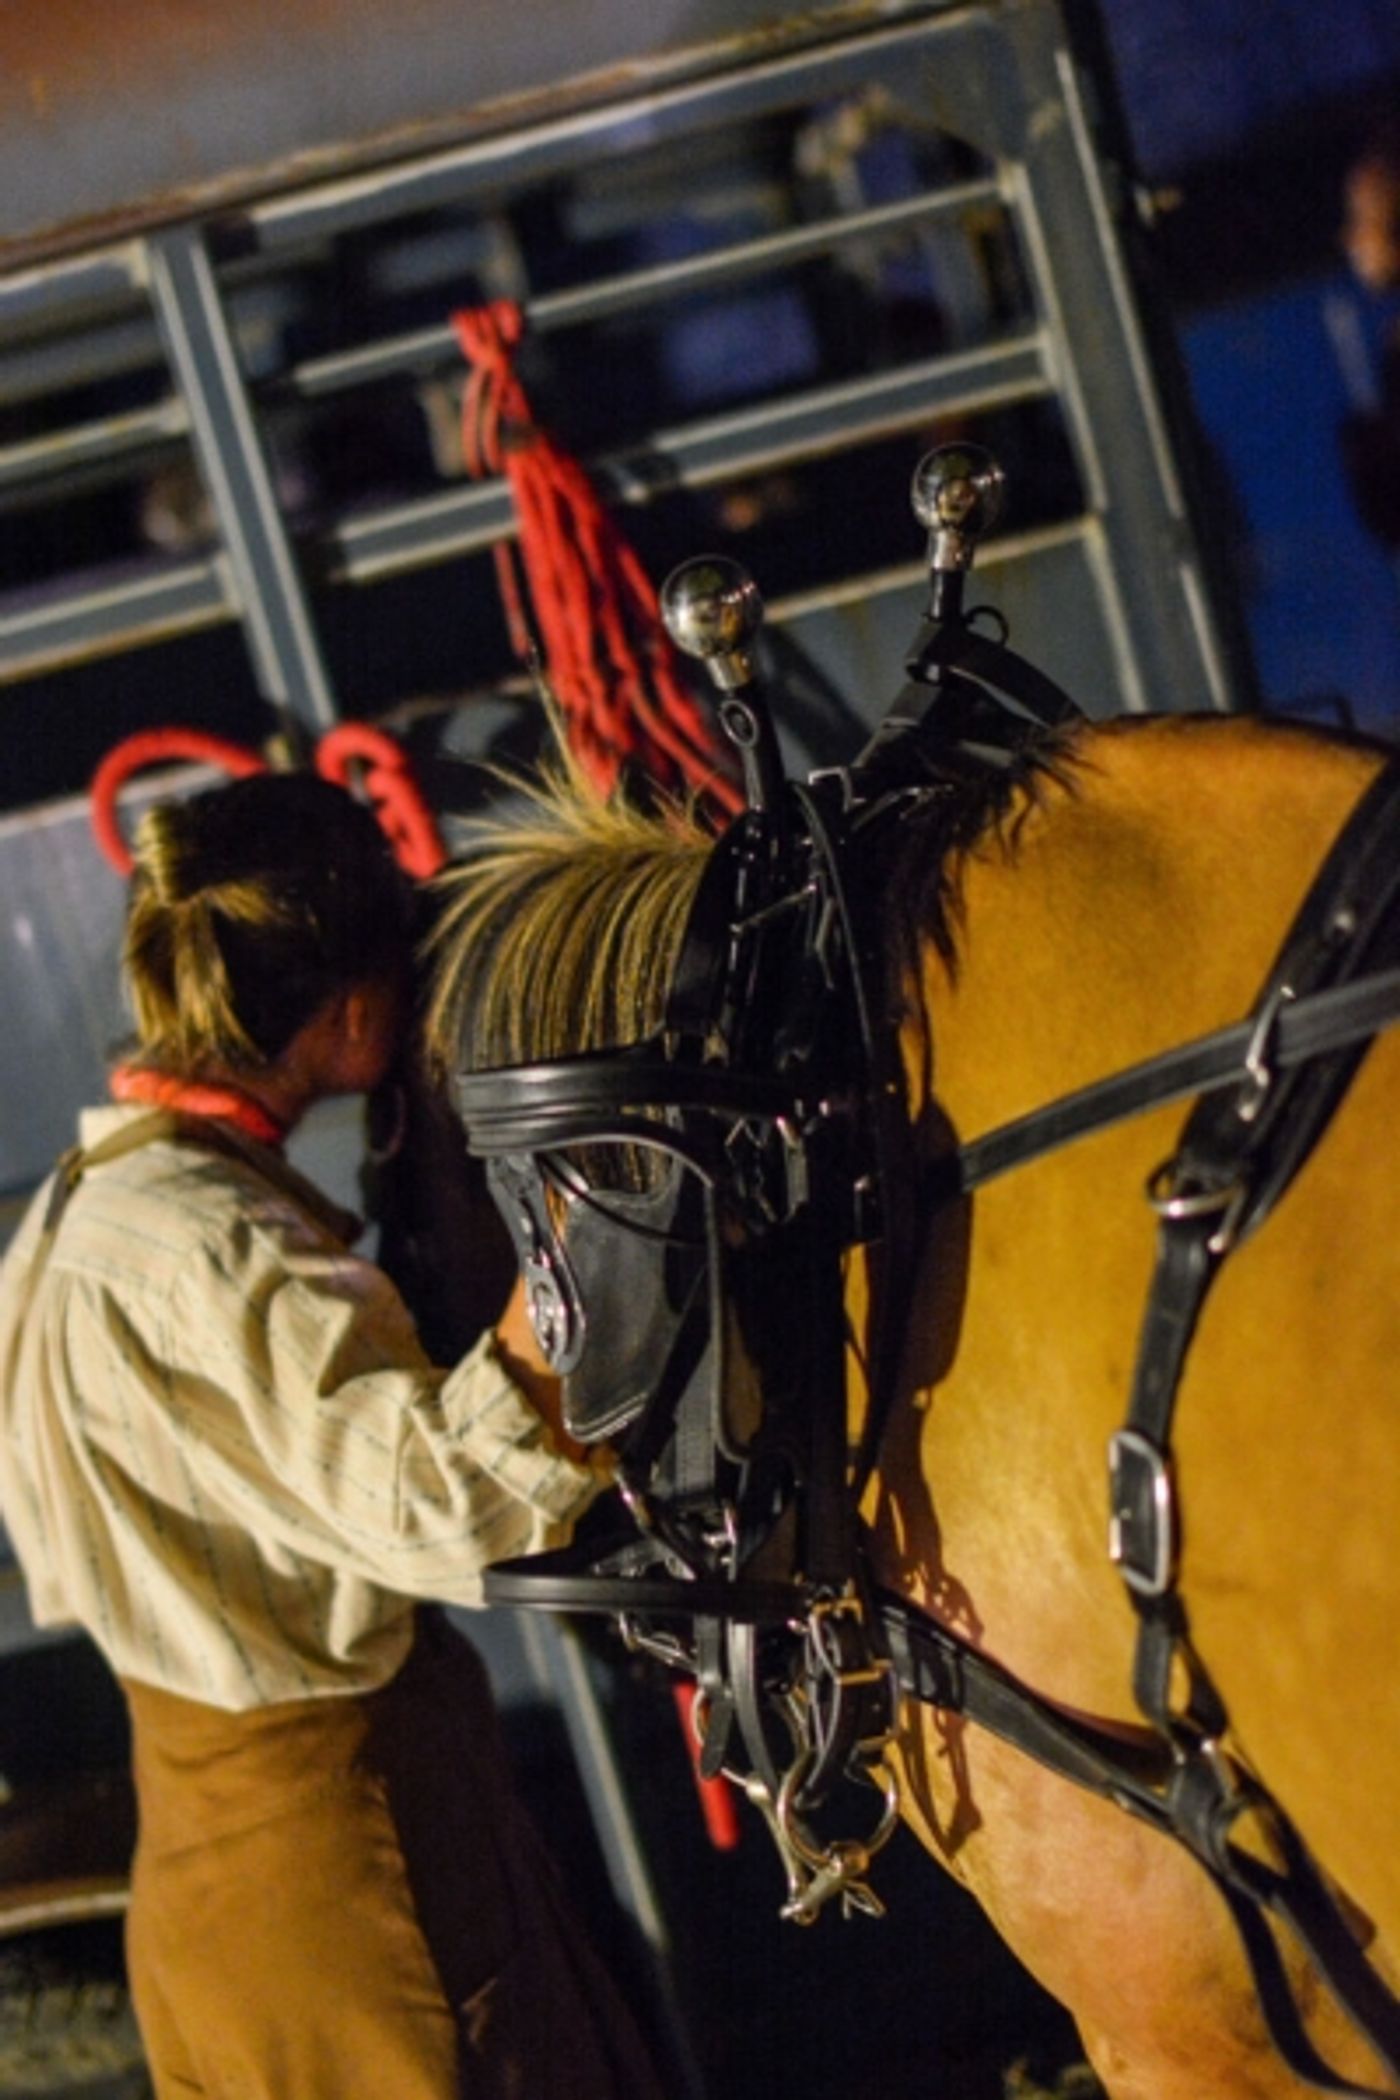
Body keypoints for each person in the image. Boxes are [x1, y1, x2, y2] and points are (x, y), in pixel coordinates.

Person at [0, 770, 665, 2100]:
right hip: (358, 1893)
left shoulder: (73, 1218)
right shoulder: (211, 1249)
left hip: (211, 1897)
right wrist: (586, 1231)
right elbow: (450, 1508)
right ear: (354, 1012)